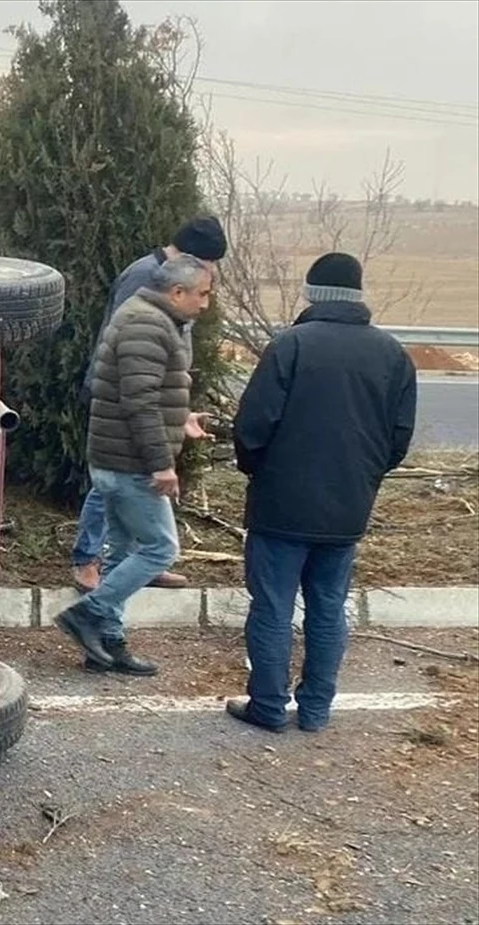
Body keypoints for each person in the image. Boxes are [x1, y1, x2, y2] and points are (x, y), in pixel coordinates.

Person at [226, 253, 417, 733]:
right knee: (329, 608)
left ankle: (268, 707)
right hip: (348, 508)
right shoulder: (393, 355)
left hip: (281, 504)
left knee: (272, 606)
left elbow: (253, 426)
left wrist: (256, 471)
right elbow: (399, 437)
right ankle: (315, 711)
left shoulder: (289, 345)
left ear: (312, 294)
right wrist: (364, 478)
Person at [54, 255, 213, 676]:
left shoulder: (147, 317)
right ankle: (89, 613)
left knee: (123, 552)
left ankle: (107, 645)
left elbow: (145, 390)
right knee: (162, 548)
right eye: (202, 294)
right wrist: (162, 465)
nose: (205, 304)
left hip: (116, 459)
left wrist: (181, 417)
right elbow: (138, 402)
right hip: (130, 464)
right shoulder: (148, 323)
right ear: (177, 292)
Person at [71, 216, 227, 594]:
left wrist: (179, 411)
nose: (208, 276)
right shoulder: (145, 278)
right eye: (207, 264)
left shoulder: (171, 282)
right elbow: (134, 365)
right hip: (123, 398)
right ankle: (87, 560)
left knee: (124, 489)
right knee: (111, 483)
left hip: (148, 394)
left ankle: (137, 564)